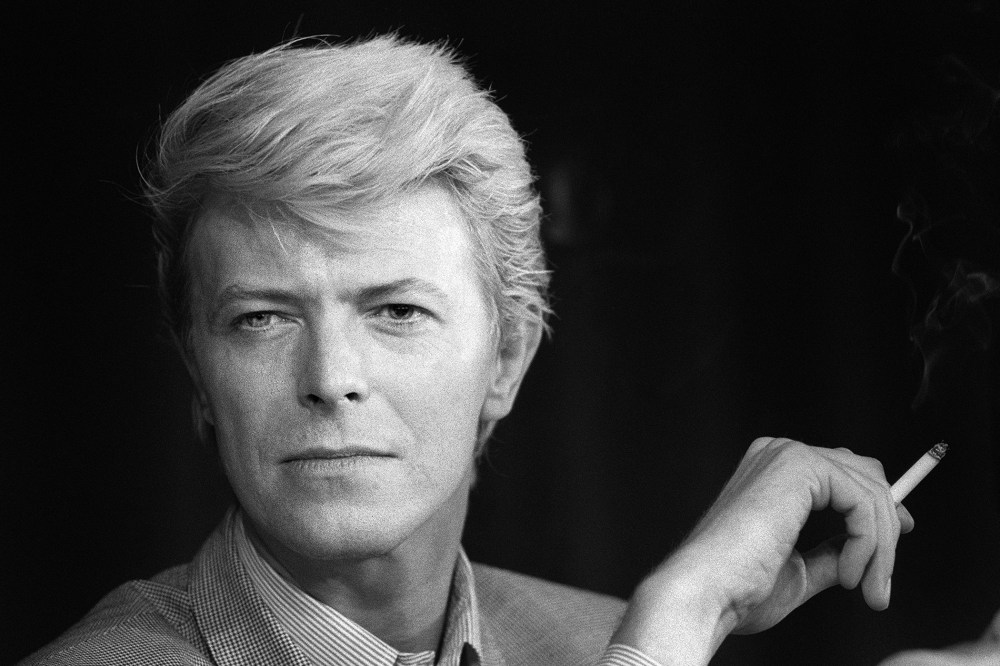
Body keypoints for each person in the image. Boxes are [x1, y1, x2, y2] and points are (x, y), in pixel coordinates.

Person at [19, 34, 912, 666]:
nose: (331, 380)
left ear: (509, 361)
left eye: (397, 311)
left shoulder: (602, 642)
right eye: (262, 318)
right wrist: (678, 621)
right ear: (199, 380)